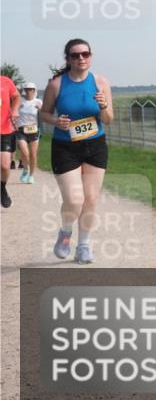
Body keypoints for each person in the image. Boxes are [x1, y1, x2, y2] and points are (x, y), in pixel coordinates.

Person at [40, 39, 114, 264]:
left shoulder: (101, 82)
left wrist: (103, 106)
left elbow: (109, 120)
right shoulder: (56, 84)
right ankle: (65, 233)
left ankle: (84, 245)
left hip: (95, 146)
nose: (81, 58)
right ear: (68, 59)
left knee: (90, 200)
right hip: (65, 147)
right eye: (75, 55)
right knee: (74, 200)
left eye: (85, 54)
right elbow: (44, 114)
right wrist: (56, 121)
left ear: (90, 56)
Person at [15, 82, 43, 184]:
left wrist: (40, 109)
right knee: (25, 153)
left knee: (33, 154)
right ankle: (25, 169)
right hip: (21, 129)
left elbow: (46, 113)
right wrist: (15, 123)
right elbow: (14, 112)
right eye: (26, 89)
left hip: (34, 129)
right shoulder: (20, 101)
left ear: (34, 90)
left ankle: (31, 175)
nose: (28, 91)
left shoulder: (38, 101)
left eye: (31, 89)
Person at [1, 74, 21, 209]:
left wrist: (14, 110)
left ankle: (2, 187)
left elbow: (17, 97)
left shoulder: (5, 81)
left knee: (5, 166)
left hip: (5, 129)